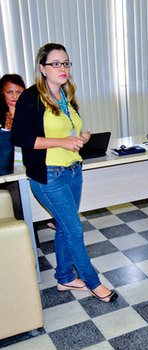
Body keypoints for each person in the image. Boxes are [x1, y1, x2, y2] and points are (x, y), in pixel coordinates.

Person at [11, 43, 117, 303]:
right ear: (42, 68)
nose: (62, 68)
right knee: (74, 229)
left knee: (63, 227)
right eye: (55, 63)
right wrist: (62, 143)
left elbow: (64, 133)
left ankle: (64, 278)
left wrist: (80, 139)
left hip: (72, 170)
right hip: (49, 176)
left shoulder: (66, 96)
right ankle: (93, 282)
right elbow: (21, 137)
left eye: (66, 63)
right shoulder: (32, 97)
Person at [1, 74, 25, 175]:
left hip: (25, 172)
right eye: (10, 92)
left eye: (18, 92)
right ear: (2, 93)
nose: (15, 96)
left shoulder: (32, 113)